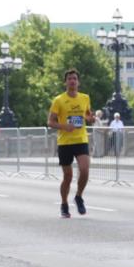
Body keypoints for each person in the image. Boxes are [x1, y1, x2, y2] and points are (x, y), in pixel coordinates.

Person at [48, 70, 95, 217]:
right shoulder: (59, 100)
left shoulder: (85, 98)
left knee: (85, 170)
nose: (72, 81)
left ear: (78, 82)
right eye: (69, 79)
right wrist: (64, 126)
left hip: (81, 139)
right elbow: (50, 122)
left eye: (75, 78)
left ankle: (79, 196)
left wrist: (90, 118)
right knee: (67, 176)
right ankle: (64, 204)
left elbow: (87, 114)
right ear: (65, 82)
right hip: (65, 142)